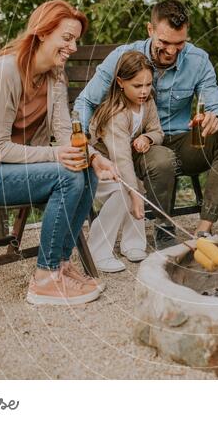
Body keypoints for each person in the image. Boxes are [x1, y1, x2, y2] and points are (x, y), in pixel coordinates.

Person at [0, 0, 120, 306]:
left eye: (76, 40)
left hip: (12, 168)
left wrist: (97, 158)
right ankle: (44, 279)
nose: (73, 47)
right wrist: (57, 155)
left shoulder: (55, 76)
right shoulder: (5, 72)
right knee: (66, 174)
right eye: (67, 38)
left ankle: (59, 265)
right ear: (43, 33)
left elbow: (64, 134)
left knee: (85, 169)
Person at [74, 0, 218, 248]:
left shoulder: (198, 60)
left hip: (181, 140)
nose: (172, 51)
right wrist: (81, 140)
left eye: (179, 43)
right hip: (140, 146)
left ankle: (204, 229)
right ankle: (164, 227)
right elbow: (86, 101)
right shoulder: (123, 57)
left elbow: (215, 100)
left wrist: (215, 116)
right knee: (161, 158)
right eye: (164, 42)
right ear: (150, 30)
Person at [86, 51, 163, 271]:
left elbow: (158, 131)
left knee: (134, 186)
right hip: (94, 167)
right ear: (120, 82)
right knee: (124, 190)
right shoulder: (115, 114)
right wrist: (134, 196)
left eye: (148, 84)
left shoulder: (147, 103)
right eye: (137, 86)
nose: (144, 91)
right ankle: (97, 251)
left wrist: (147, 137)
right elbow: (121, 158)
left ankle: (133, 243)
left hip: (115, 166)